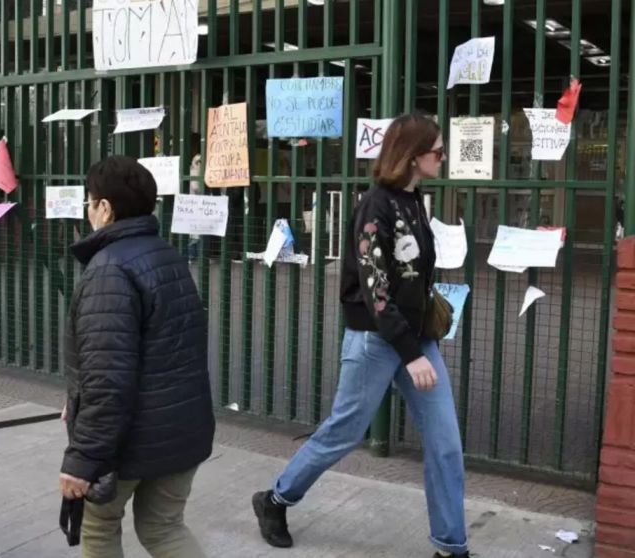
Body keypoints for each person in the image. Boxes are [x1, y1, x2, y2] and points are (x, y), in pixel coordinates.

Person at [251, 112, 470, 558]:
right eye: (438, 152)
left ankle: (451, 546)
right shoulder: (376, 206)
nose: (443, 158)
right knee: (344, 431)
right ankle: (275, 499)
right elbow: (376, 290)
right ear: (412, 156)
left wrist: (420, 338)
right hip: (378, 340)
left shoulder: (414, 201)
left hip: (415, 340)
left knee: (446, 445)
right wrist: (411, 353)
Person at [59, 155, 216, 558]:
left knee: (99, 527)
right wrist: (75, 399)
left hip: (131, 439)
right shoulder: (165, 254)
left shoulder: (107, 269)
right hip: (183, 428)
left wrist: (83, 458)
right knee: (164, 528)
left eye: (89, 203)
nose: (89, 211)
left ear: (105, 208)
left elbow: (108, 380)